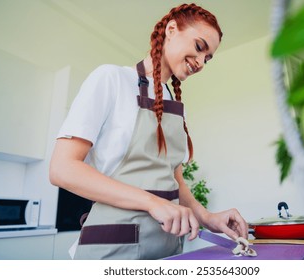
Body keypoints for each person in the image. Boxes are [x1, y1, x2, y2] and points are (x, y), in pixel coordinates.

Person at [49, 3, 248, 260]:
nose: (200, 63)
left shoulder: (176, 108)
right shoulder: (111, 79)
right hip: (112, 249)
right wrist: (153, 203)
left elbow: (174, 182)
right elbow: (62, 168)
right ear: (172, 29)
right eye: (199, 47)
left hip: (165, 249)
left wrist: (208, 218)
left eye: (207, 58)